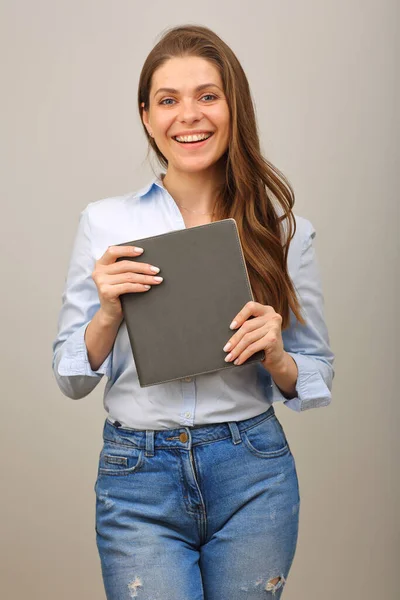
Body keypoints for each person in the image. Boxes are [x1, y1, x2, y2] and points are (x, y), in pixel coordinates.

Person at [52, 24, 335, 600]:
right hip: (138, 475)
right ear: (146, 115)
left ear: (234, 106)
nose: (190, 115)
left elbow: (317, 373)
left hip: (253, 471)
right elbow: (69, 377)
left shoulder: (281, 231)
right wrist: (107, 313)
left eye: (208, 95)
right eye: (168, 100)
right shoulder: (105, 223)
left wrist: (279, 355)